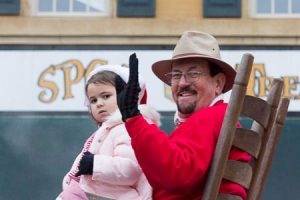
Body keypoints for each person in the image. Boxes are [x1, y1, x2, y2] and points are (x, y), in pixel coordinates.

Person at [115, 31, 251, 200]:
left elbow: (177, 175)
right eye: (176, 75)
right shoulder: (217, 118)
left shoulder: (211, 116)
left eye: (194, 73)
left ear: (218, 83)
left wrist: (134, 119)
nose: (182, 83)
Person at [57, 65, 160, 200]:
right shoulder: (106, 131)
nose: (99, 104)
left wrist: (94, 164)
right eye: (93, 100)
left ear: (125, 97)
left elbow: (130, 170)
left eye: (106, 96)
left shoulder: (127, 129)